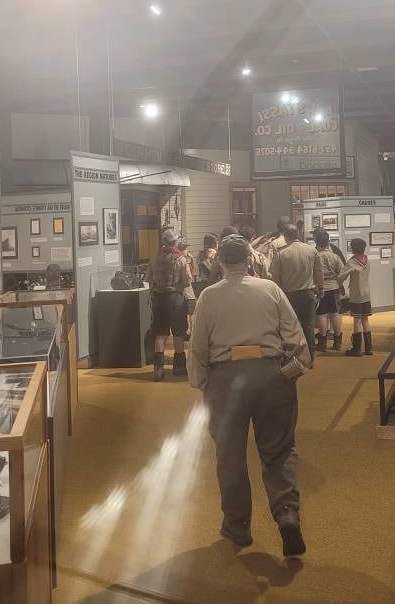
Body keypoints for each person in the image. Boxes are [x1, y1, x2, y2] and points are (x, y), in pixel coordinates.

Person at [189, 234, 311, 557]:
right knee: (279, 450)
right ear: (249, 259)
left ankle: (237, 525)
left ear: (220, 262)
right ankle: (287, 513)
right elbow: (297, 341)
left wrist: (203, 384)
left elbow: (198, 348)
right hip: (271, 376)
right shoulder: (270, 290)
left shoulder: (208, 297)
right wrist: (290, 373)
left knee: (230, 456)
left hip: (225, 380)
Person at [269, 222, 323, 360]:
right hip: (308, 293)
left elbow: (275, 277)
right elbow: (318, 272)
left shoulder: (281, 253)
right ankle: (310, 356)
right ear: (297, 234)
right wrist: (320, 288)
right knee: (308, 325)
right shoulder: (311, 250)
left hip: (289, 295)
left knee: (290, 327)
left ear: (285, 236)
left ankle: (295, 356)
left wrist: (277, 295)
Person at [149, 229, 191, 381]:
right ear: (175, 242)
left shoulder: (155, 258)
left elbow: (149, 278)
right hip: (175, 298)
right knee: (178, 333)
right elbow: (187, 280)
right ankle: (179, 368)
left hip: (158, 298)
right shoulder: (180, 259)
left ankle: (158, 370)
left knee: (160, 334)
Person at [337, 238, 373, 356]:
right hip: (366, 294)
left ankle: (357, 349)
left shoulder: (352, 262)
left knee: (357, 320)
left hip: (357, 295)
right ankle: (369, 348)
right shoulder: (367, 259)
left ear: (352, 248)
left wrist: (340, 284)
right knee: (365, 320)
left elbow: (341, 276)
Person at [313, 229, 344, 351]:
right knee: (335, 314)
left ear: (316, 241)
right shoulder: (334, 256)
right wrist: (339, 283)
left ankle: (322, 343)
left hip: (319, 288)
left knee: (322, 315)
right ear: (327, 242)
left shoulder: (315, 256)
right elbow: (341, 272)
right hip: (334, 287)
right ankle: (338, 343)